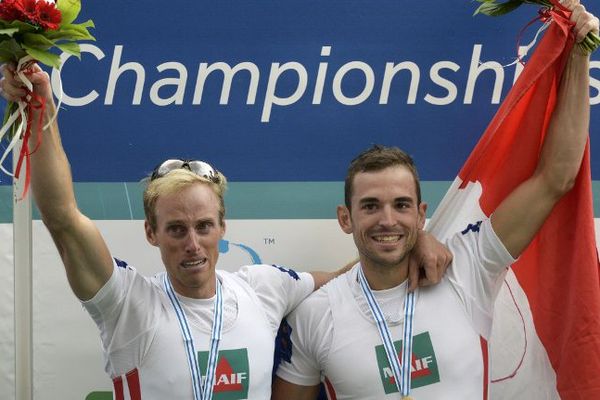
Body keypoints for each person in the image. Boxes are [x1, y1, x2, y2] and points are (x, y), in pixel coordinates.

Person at [0, 69, 451, 398]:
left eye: (203, 227)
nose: (192, 244)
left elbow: (358, 273)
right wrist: (41, 111)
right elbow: (61, 216)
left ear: (222, 227)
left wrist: (416, 240)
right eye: (176, 229)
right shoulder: (128, 306)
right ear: (151, 233)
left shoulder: (264, 288)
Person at [272, 2, 598, 399]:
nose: (387, 219)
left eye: (402, 205)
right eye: (371, 206)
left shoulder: (469, 267)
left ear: (421, 213)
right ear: (345, 217)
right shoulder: (313, 314)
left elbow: (555, 178)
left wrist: (580, 54)